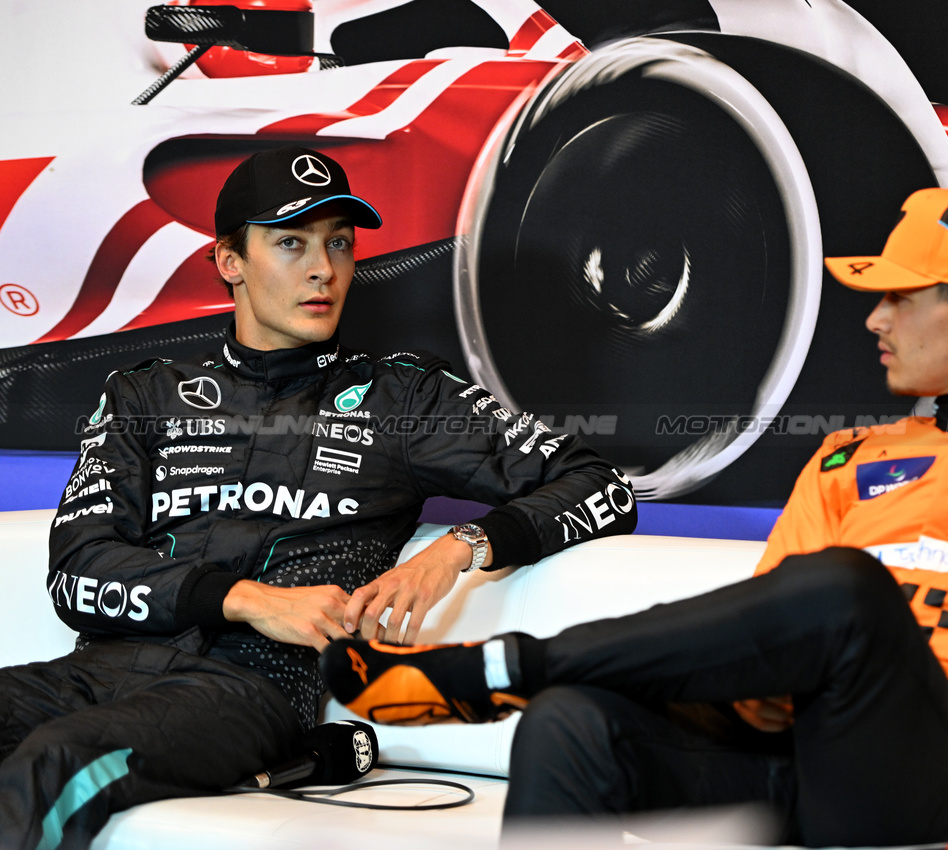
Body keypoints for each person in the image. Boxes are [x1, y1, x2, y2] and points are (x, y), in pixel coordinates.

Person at [321, 187, 948, 846]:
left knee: (846, 591)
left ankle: (499, 669)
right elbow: (769, 635)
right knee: (571, 725)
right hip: (786, 755)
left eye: (897, 298)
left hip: (919, 782)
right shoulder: (851, 458)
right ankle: (530, 684)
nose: (872, 319)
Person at [0, 145, 636, 849]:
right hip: (98, 669)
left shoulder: (403, 398)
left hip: (242, 693)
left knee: (59, 758)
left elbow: (599, 485)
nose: (322, 269)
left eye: (338, 243)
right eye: (290, 243)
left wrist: (463, 548)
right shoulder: (145, 393)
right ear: (230, 261)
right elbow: (77, 571)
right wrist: (247, 598)